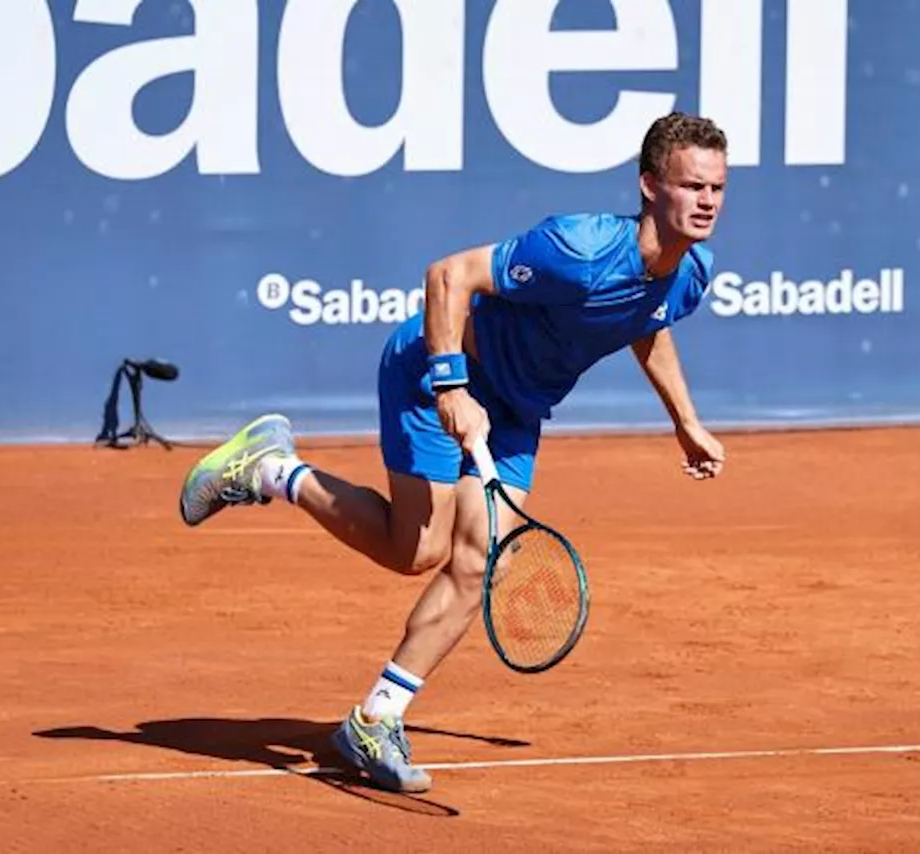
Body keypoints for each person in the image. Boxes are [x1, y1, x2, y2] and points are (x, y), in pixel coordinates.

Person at [178, 111, 729, 794]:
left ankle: (375, 720)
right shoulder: (581, 249)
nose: (706, 201)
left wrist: (685, 421)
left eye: (716, 188)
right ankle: (270, 467)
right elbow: (448, 276)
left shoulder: (692, 273)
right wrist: (451, 384)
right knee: (417, 551)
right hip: (434, 368)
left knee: (479, 560)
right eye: (691, 185)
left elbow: (648, 321)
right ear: (650, 185)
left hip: (519, 407)